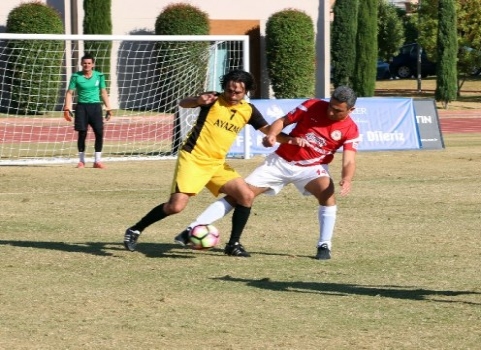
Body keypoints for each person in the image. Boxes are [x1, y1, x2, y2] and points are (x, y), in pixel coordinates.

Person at [174, 86, 360, 260]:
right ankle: (192, 229)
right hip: (279, 162)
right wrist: (272, 135)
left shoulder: (351, 129)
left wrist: (347, 178)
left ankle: (324, 245)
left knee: (327, 192)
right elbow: (283, 121)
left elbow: (349, 159)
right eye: (330, 107)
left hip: (311, 168)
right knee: (240, 195)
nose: (330, 112)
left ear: (350, 110)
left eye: (338, 111)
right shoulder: (312, 105)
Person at [123, 70, 271, 257]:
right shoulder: (213, 99)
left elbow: (267, 129)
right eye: (229, 90)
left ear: (246, 92)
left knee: (246, 196)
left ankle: (233, 244)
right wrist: (197, 101)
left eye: (238, 92)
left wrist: (286, 138)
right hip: (193, 158)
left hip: (217, 163)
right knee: (175, 207)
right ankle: (135, 230)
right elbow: (184, 103)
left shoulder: (248, 110)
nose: (232, 95)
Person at [63, 53, 113, 169]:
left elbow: (103, 92)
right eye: (84, 63)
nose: (87, 65)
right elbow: (70, 92)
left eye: (89, 63)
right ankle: (81, 161)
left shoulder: (99, 76)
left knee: (99, 133)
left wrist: (109, 108)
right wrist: (67, 107)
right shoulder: (76, 76)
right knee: (82, 133)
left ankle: (97, 161)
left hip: (96, 107)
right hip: (82, 108)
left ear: (93, 64)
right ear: (81, 64)